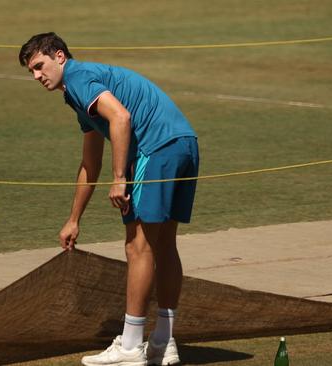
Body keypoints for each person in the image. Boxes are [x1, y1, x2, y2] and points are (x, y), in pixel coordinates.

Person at [19, 33, 199, 366]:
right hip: (184, 143)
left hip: (157, 148)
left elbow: (121, 117)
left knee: (137, 246)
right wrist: (74, 218)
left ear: (60, 56)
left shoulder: (78, 78)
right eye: (31, 71)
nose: (36, 76)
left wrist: (120, 179)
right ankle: (163, 341)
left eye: (39, 66)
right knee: (164, 244)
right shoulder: (78, 94)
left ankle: (131, 346)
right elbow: (90, 162)